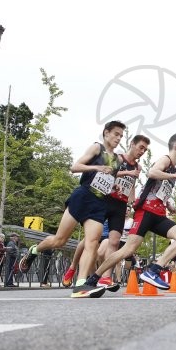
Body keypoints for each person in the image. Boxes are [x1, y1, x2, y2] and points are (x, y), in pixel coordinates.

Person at [19, 121, 126, 299]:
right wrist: (96, 166)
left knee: (92, 243)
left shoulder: (118, 160)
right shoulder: (96, 148)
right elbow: (75, 167)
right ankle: (34, 251)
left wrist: (113, 187)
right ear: (106, 133)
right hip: (82, 197)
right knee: (59, 241)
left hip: (99, 204)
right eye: (116, 134)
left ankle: (80, 285)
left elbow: (105, 179)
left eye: (121, 136)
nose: (118, 138)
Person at [77, 134, 176, 296]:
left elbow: (157, 190)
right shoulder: (166, 160)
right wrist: (175, 176)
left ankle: (154, 270)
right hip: (145, 212)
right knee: (126, 251)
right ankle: (93, 279)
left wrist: (168, 204)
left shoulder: (173, 167)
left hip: (158, 214)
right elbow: (152, 172)